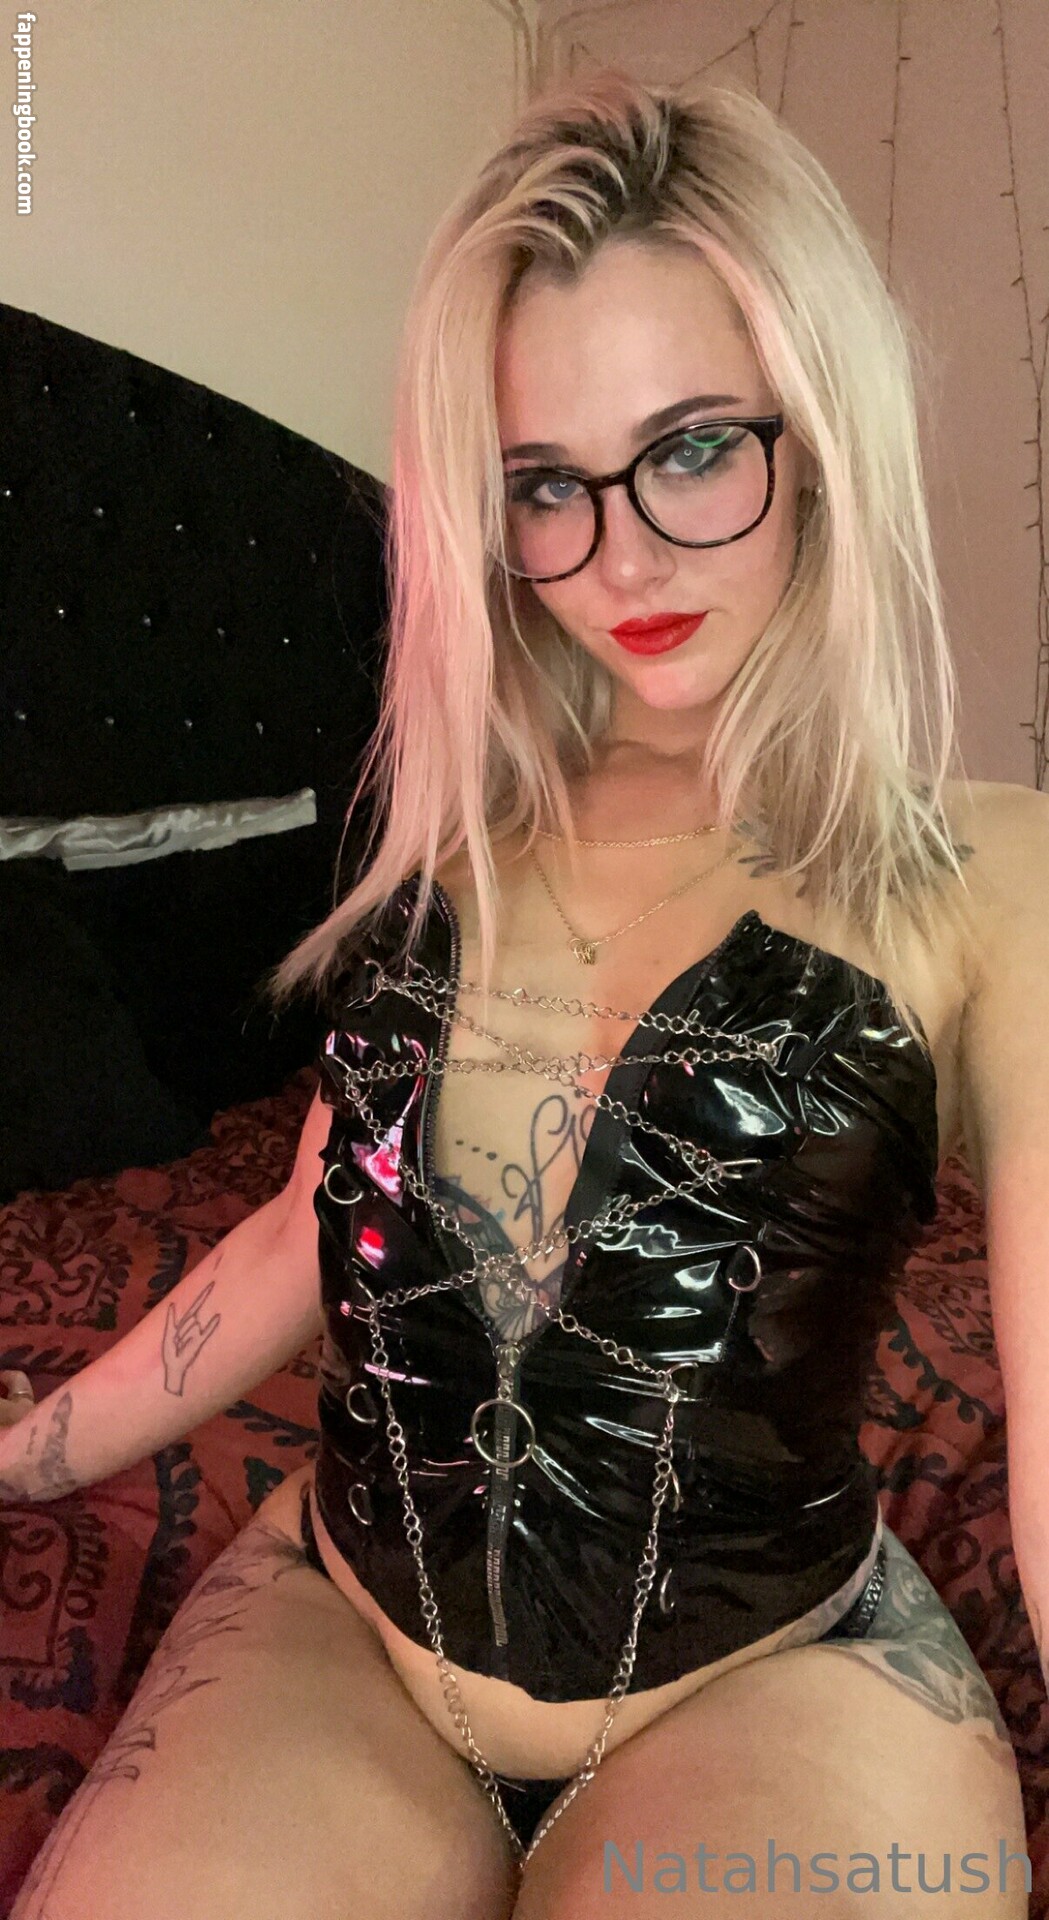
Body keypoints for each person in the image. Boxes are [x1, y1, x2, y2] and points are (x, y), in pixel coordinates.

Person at [1, 67, 1042, 1920]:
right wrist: (22, 1456)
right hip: (344, 1620)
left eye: (693, 449)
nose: (617, 557)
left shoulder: (995, 871)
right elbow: (305, 1226)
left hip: (771, 1668)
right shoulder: (460, 832)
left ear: (823, 430)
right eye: (544, 485)